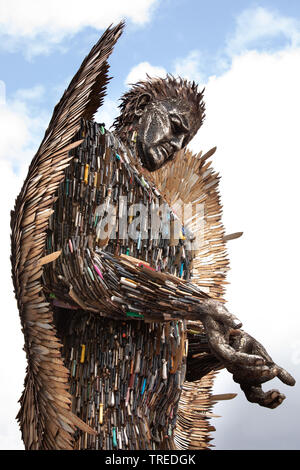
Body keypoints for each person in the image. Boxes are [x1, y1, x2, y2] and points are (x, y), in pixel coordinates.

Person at [11, 22, 295, 451]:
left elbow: (162, 335)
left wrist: (227, 348)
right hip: (94, 417)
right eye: (174, 126)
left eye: (186, 138)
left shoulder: (161, 211)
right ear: (143, 106)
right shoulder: (92, 150)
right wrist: (193, 302)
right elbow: (74, 270)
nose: (176, 145)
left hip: (153, 425)